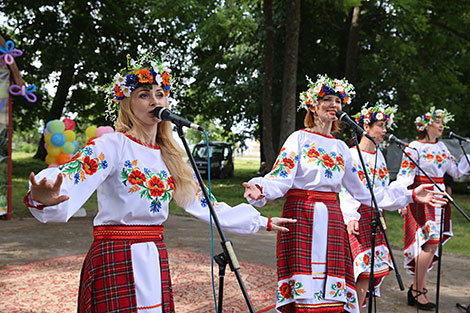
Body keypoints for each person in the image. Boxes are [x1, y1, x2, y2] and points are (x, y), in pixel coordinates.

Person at [24, 53, 295, 313]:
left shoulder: (171, 157)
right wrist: (44, 196)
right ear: (128, 103)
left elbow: (204, 204)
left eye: (159, 94)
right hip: (116, 255)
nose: (154, 100)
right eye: (144, 94)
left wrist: (261, 221)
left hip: (153, 255)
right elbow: (72, 175)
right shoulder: (112, 145)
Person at [242, 74, 446, 313]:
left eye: (338, 101)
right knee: (304, 289)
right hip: (303, 216)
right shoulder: (298, 138)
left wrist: (410, 195)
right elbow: (280, 178)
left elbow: (368, 193)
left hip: (332, 219)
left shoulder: (341, 148)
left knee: (333, 290)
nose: (334, 105)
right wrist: (260, 187)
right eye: (327, 99)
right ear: (312, 106)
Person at [393, 107, 470, 310]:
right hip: (422, 198)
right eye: (437, 122)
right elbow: (404, 176)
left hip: (439, 198)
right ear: (426, 125)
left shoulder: (443, 147)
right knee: (430, 242)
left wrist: (467, 158)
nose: (441, 126)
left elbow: (454, 171)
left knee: (431, 245)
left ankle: (417, 289)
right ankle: (418, 290)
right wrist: (403, 199)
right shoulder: (413, 147)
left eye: (442, 123)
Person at [339, 104, 398, 308]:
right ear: (366, 125)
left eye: (385, 126)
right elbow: (345, 189)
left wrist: (398, 201)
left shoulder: (379, 156)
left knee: (371, 271)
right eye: (380, 125)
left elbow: (383, 186)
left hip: (375, 215)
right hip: (356, 216)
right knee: (362, 270)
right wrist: (351, 216)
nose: (384, 131)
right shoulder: (351, 154)